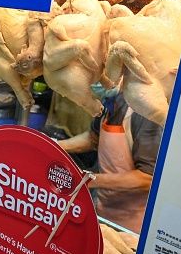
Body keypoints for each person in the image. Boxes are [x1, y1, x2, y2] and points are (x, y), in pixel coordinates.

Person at [58, 91, 163, 233]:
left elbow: (147, 178)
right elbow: (93, 138)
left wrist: (89, 180)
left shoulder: (145, 112)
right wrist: (54, 145)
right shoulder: (111, 101)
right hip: (103, 213)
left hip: (133, 227)